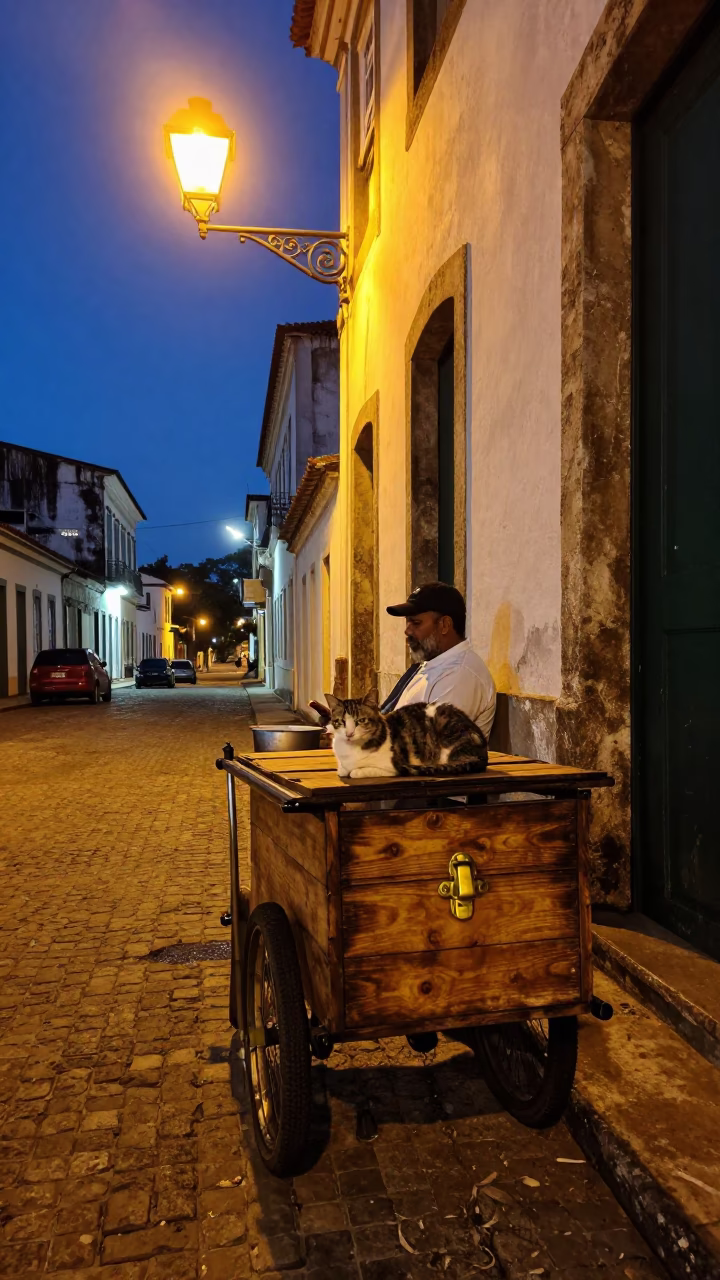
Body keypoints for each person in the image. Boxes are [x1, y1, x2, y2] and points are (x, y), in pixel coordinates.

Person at [385, 582, 496, 740]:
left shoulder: (460, 675)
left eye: (416, 623)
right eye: (407, 622)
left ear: (444, 625)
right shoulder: (433, 665)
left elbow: (431, 744)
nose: (407, 630)